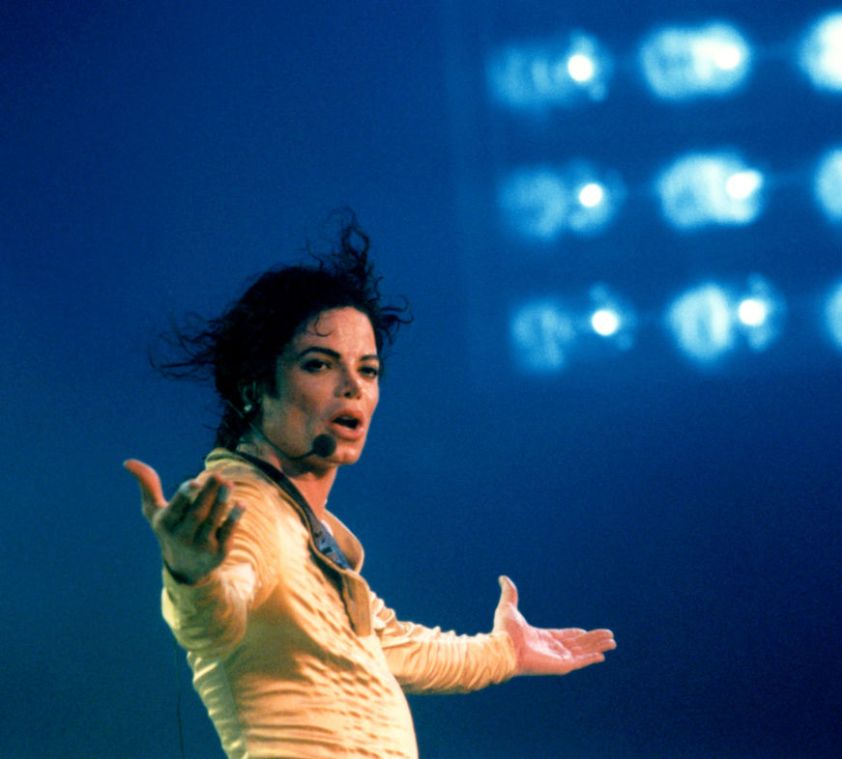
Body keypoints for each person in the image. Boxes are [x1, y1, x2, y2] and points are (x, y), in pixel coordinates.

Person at [125, 214, 616, 758]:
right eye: (319, 365)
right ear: (253, 388)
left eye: (369, 370)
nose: (353, 388)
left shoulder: (305, 528)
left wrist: (507, 651)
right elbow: (215, 619)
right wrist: (192, 576)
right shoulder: (245, 505)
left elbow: (392, 645)